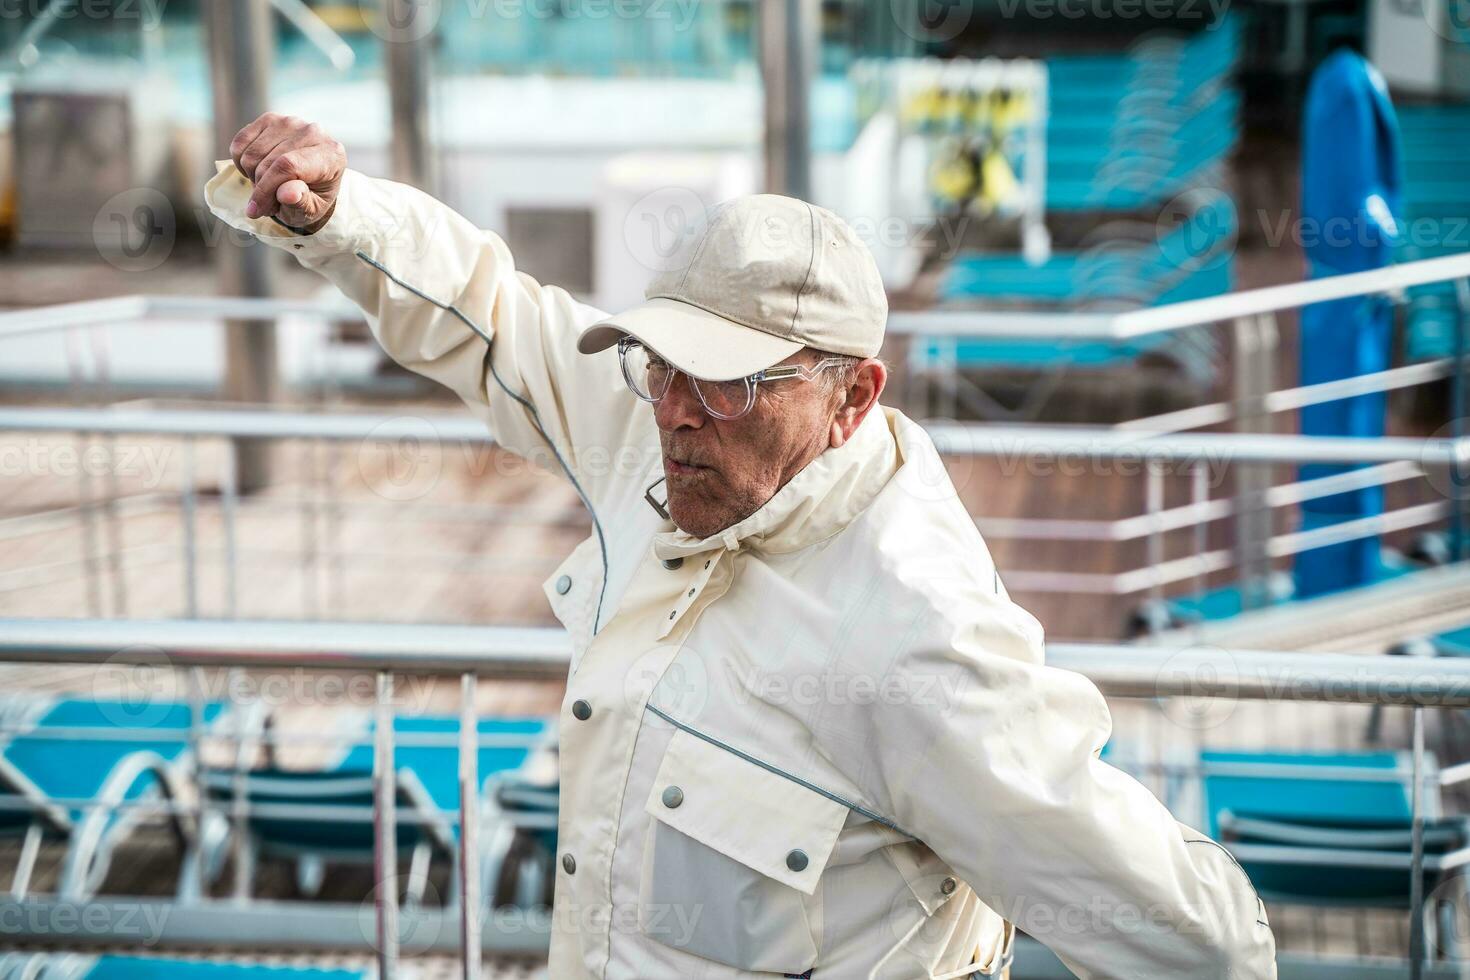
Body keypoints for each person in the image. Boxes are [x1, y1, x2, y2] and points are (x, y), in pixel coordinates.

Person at [206, 113, 1277, 979]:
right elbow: (495, 319)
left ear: (851, 396)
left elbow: (1203, 950)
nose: (675, 410)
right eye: (659, 362)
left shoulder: (922, 646)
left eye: (724, 380)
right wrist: (343, 216)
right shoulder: (660, 427)